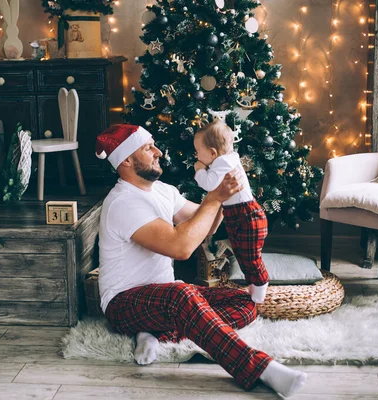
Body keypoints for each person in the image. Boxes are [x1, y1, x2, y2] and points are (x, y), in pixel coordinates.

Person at [94, 124, 307, 398]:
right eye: (148, 148)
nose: (158, 152)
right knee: (181, 294)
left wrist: (226, 198)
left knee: (245, 303)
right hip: (123, 303)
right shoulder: (123, 202)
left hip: (165, 298)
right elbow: (181, 247)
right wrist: (214, 196)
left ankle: (155, 334)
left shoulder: (163, 191)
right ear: (125, 160)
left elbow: (205, 225)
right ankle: (262, 369)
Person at [193, 119, 269, 303]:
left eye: (198, 152)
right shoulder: (226, 160)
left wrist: (199, 170)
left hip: (247, 216)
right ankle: (254, 287)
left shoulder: (223, 162)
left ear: (212, 153)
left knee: (250, 257)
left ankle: (259, 293)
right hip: (238, 216)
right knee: (242, 255)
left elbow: (209, 184)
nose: (196, 156)